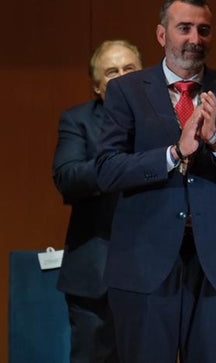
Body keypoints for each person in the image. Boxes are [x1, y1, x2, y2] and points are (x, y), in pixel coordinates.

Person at [95, 0, 216, 363]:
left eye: (203, 30)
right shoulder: (126, 91)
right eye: (184, 28)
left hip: (214, 264)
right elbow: (107, 170)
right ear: (161, 35)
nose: (195, 39)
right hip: (144, 261)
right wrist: (174, 153)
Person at [53, 39, 142, 363]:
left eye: (129, 69)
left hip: (154, 273)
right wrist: (119, 165)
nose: (120, 76)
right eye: (111, 71)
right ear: (96, 86)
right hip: (94, 277)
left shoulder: (166, 122)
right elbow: (68, 178)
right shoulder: (77, 121)